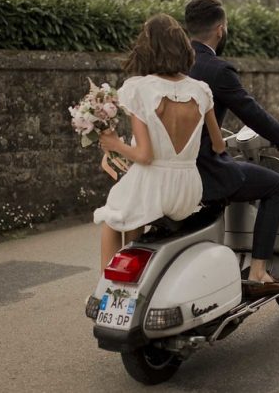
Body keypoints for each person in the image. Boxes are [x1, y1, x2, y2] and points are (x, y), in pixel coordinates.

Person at [185, 0, 279, 297]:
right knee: (274, 186)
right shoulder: (216, 69)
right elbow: (251, 112)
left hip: (172, 169)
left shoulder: (171, 64)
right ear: (220, 30)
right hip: (204, 170)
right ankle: (258, 270)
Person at [94, 14, 226, 268]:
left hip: (154, 185)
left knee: (111, 219)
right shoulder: (201, 90)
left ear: (148, 49)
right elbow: (219, 145)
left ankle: (106, 292)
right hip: (188, 190)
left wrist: (115, 145)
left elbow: (145, 156)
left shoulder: (138, 88)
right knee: (133, 215)